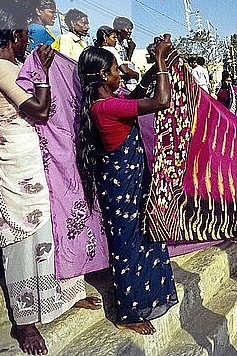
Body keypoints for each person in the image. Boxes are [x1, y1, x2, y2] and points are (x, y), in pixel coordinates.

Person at [0, 0, 100, 355]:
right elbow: (41, 110)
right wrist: (46, 72)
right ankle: (25, 322)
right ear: (16, 33)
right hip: (13, 168)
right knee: (20, 243)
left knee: (45, 233)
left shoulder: (7, 64)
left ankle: (58, 298)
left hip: (27, 161)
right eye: (24, 36)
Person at [76, 37, 178, 335]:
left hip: (127, 181)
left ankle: (140, 299)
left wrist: (156, 68)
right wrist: (158, 61)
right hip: (122, 185)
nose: (120, 72)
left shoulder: (108, 102)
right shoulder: (104, 107)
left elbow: (136, 94)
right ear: (102, 76)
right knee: (128, 246)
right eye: (114, 70)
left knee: (141, 239)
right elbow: (161, 101)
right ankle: (128, 312)